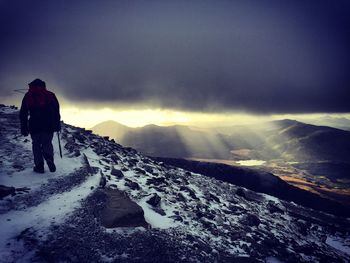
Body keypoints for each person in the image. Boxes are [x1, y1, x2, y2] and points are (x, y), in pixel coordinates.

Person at [20, 78, 61, 173]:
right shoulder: (51, 95)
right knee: (47, 143)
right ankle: (49, 157)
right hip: (48, 124)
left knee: (36, 144)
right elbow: (56, 111)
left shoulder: (28, 96)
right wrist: (57, 124)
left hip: (34, 125)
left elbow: (23, 113)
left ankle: (39, 166)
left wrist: (24, 127)